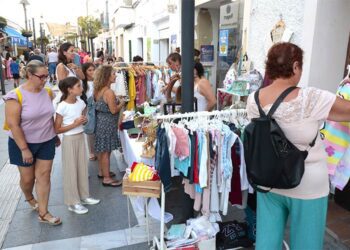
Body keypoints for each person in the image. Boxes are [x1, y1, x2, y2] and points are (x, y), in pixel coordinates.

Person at [246, 42, 350, 249]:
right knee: (306, 244)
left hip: (269, 180)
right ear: (295, 67)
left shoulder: (254, 99)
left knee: (267, 242)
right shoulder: (311, 97)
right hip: (307, 183)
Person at [3, 60, 61, 225]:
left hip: (46, 141)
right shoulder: (15, 96)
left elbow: (47, 114)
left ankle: (44, 212)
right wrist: (24, 149)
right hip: (22, 143)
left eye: (46, 76)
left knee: (44, 176)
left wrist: (54, 134)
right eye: (41, 77)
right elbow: (13, 124)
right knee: (27, 179)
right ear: (29, 75)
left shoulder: (48, 92)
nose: (45, 80)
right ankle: (29, 197)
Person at [54, 76, 100, 214]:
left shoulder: (80, 103)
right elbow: (57, 129)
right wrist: (74, 124)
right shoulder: (62, 106)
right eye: (78, 86)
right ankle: (73, 202)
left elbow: (82, 119)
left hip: (80, 137)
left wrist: (83, 121)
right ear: (70, 90)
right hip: (69, 140)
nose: (81, 88)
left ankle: (84, 196)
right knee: (70, 170)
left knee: (82, 168)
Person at [93, 65, 125, 186]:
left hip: (101, 122)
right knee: (106, 152)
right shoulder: (109, 92)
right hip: (108, 124)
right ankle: (107, 178)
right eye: (113, 74)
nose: (115, 75)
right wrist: (122, 103)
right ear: (107, 76)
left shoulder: (97, 90)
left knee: (102, 151)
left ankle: (102, 172)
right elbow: (113, 110)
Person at [81, 62, 97, 161]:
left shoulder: (97, 81)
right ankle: (91, 151)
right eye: (89, 70)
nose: (92, 72)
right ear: (85, 72)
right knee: (90, 128)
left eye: (93, 69)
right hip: (87, 107)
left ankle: (97, 150)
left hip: (97, 106)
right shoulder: (83, 83)